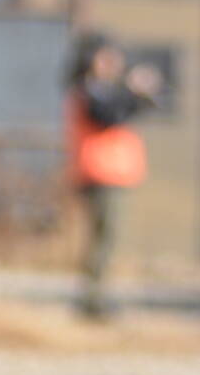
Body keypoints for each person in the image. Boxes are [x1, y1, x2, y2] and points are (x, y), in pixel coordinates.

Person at [65, 32, 158, 319]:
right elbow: (108, 115)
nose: (113, 63)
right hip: (99, 173)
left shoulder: (107, 89)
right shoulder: (90, 89)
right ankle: (93, 299)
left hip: (113, 174)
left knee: (106, 240)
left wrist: (141, 95)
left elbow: (128, 109)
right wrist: (133, 91)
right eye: (106, 57)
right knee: (101, 240)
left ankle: (97, 295)